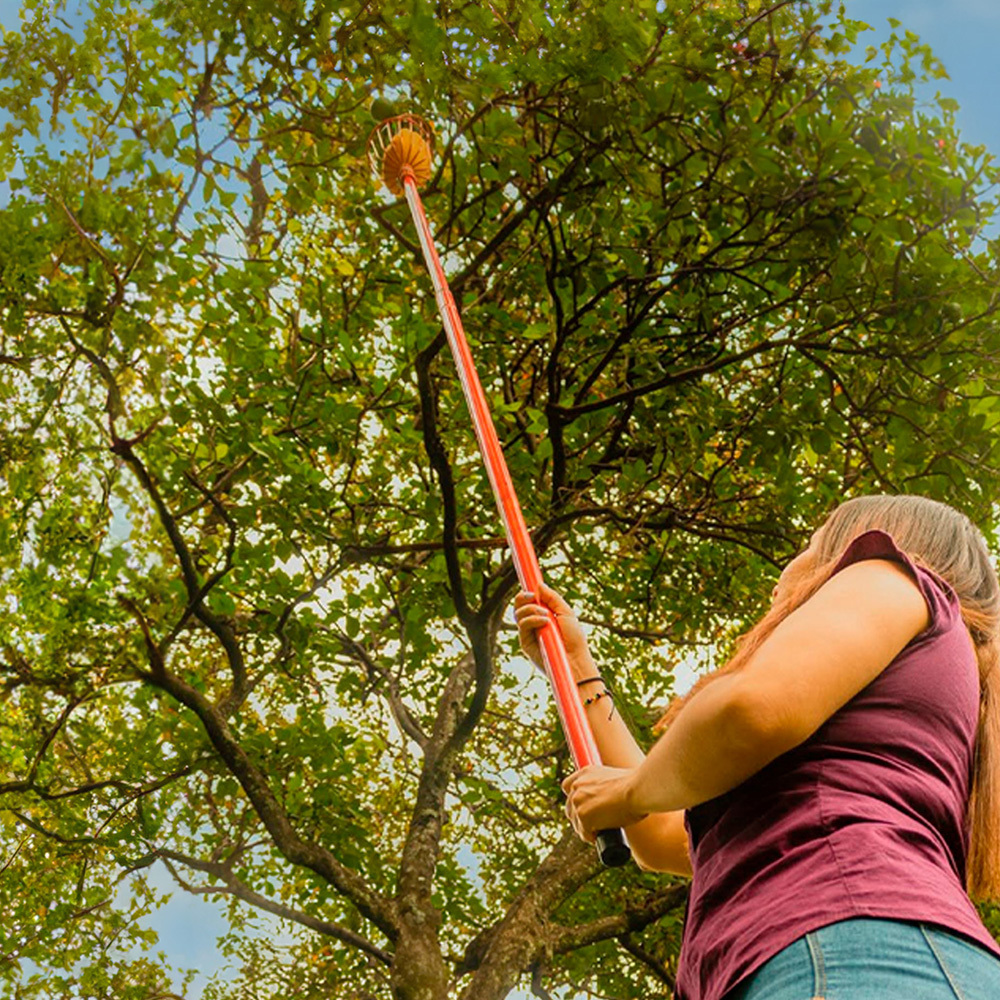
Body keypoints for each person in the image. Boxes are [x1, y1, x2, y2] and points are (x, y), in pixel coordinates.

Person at [514, 494, 1000, 1000]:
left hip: (850, 945)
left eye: (812, 545)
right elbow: (661, 833)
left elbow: (750, 712)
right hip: (844, 953)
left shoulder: (888, 576)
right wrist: (575, 669)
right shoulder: (896, 718)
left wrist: (632, 790)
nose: (787, 570)